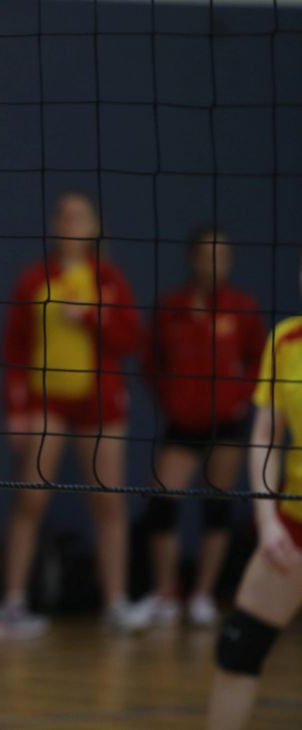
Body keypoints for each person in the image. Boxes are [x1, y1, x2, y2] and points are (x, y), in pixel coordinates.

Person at [0, 191, 146, 639]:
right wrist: (16, 409)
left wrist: (91, 316)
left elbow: (131, 340)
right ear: (56, 225)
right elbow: (14, 347)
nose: (72, 224)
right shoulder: (36, 278)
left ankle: (116, 601)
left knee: (109, 501)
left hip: (100, 404)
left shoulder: (108, 279)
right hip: (46, 403)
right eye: (65, 216)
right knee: (30, 499)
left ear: (94, 227)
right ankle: (13, 601)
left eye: (80, 217)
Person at [137, 228, 265, 628]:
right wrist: (172, 398)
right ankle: (165, 593)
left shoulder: (242, 307)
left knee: (217, 507)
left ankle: (203, 596)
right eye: (207, 254)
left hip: (227, 423)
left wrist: (240, 397)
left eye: (221, 255)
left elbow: (260, 361)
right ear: (192, 258)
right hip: (183, 423)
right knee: (161, 504)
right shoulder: (171, 307)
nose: (213, 262)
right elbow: (150, 362)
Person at [206, 265, 302, 730]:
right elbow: (265, 433)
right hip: (293, 524)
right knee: (239, 647)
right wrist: (266, 521)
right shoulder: (286, 339)